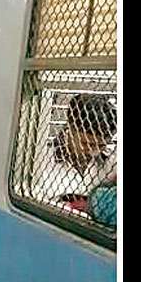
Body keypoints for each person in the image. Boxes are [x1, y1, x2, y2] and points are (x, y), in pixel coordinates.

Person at [51, 94, 117, 228]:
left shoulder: (113, 162)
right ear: (70, 128)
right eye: (87, 143)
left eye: (101, 145)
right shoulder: (46, 158)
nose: (95, 151)